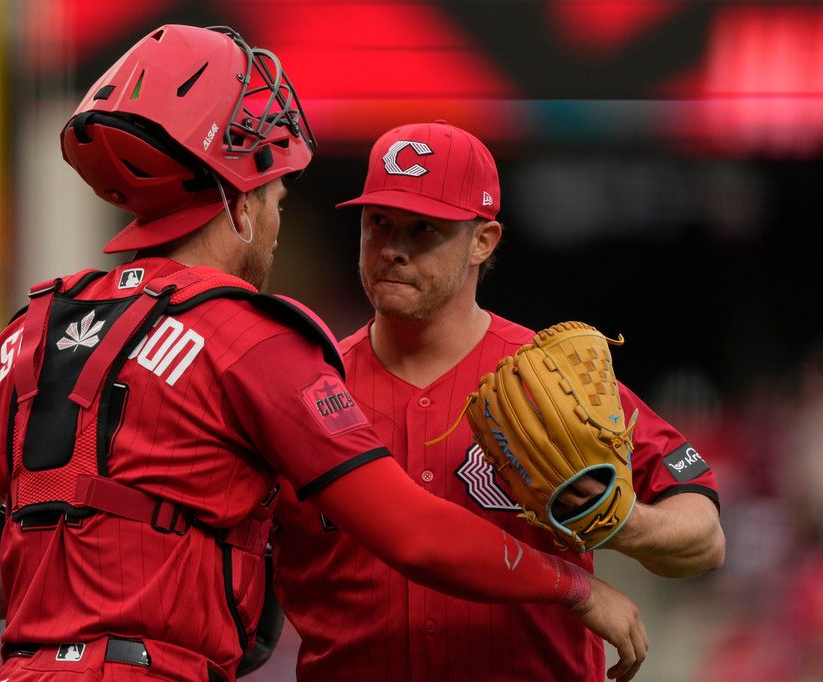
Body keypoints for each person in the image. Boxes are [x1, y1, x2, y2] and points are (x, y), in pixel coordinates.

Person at [0, 26, 649, 682]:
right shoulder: (252, 338)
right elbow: (411, 533)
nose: (277, 221)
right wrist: (574, 589)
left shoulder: (24, 333)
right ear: (239, 203)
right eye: (276, 199)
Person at [269, 120, 726, 681]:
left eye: (424, 230)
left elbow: (704, 534)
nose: (393, 250)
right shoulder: (311, 389)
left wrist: (616, 522)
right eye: (379, 224)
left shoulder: (553, 380)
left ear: (483, 242)